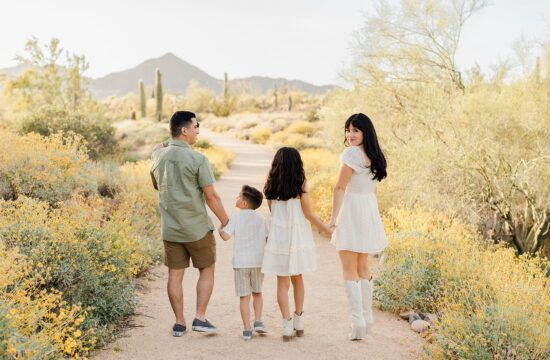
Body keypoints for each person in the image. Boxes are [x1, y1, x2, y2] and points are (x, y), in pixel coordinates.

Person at [150, 110, 229, 336]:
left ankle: (179, 322)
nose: (198, 131)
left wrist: (167, 143)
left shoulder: (157, 157)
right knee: (207, 269)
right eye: (195, 127)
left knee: (175, 275)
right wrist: (225, 221)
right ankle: (200, 317)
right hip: (196, 229)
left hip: (171, 229)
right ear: (184, 131)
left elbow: (157, 185)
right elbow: (211, 196)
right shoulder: (198, 159)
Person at [261, 147, 333, 341]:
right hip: (297, 236)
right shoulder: (300, 184)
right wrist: (327, 229)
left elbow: (273, 213)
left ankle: (286, 325)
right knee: (297, 279)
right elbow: (308, 214)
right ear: (297, 164)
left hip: (279, 238)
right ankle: (299, 320)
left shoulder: (270, 186)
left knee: (282, 282)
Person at [328, 113, 388, 340]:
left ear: (365, 132)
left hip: (353, 209)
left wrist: (333, 219)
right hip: (368, 210)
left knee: (349, 267)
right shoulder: (375, 154)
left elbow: (339, 188)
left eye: (355, 130)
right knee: (363, 267)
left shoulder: (351, 153)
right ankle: (367, 318)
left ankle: (357, 323)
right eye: (347, 130)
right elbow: (374, 190)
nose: (350, 135)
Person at [219, 185, 269, 341]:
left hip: (241, 263)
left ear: (244, 204)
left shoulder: (236, 218)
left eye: (238, 196)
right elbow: (267, 239)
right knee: (258, 293)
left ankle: (247, 329)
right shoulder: (262, 219)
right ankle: (258, 321)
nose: (236, 199)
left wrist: (221, 229)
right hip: (258, 262)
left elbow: (225, 237)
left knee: (244, 297)